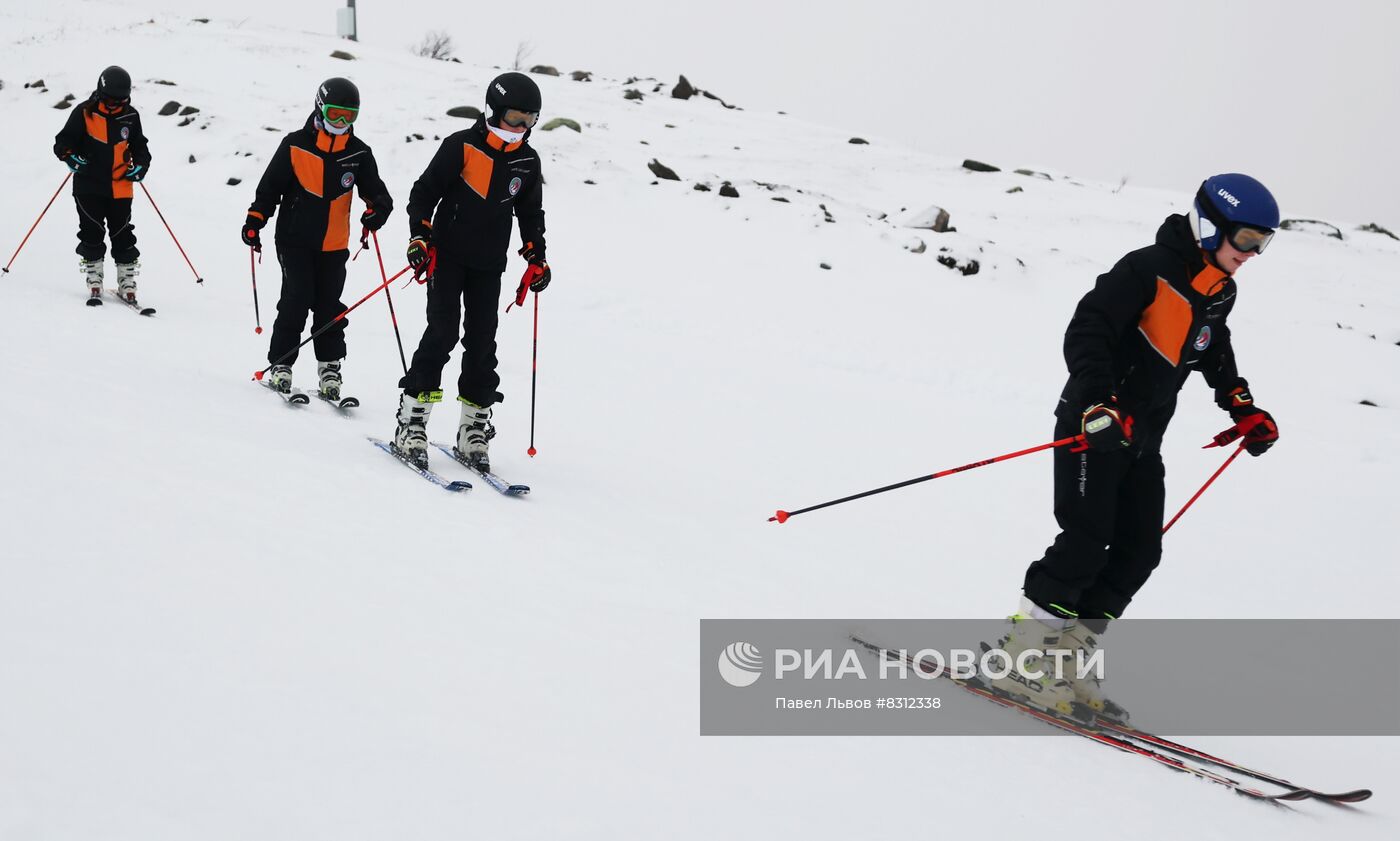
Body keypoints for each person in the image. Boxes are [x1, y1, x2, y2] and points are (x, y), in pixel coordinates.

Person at [993, 174, 1282, 718]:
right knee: (1085, 539)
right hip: (1095, 426)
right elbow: (1087, 329)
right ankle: (1023, 658)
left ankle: (1066, 660)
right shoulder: (1144, 269)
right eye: (1245, 239)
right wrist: (1099, 401)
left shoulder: (1220, 290)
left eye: (1262, 243)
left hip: (1144, 439)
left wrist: (1241, 405)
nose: (1252, 254)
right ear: (1208, 225)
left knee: (1140, 550)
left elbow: (1212, 347)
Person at [391, 71, 551, 471]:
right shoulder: (461, 146)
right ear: (492, 111)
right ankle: (411, 421)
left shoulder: (527, 161)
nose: (521, 127)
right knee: (442, 334)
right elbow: (423, 194)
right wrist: (420, 237)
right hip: (447, 257)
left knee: (482, 344)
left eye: (530, 120)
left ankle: (472, 428)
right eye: (514, 117)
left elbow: (530, 214)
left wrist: (537, 257)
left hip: (489, 265)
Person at [242, 77, 393, 401]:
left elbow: (379, 195)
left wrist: (377, 212)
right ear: (320, 107)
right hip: (294, 241)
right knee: (297, 299)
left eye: (349, 116)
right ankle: (281, 364)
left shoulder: (359, 153)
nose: (341, 122)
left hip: (334, 244)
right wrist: (256, 220)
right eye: (336, 113)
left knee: (329, 307)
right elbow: (269, 189)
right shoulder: (295, 145)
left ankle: (330, 367)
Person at [53, 65, 151, 304]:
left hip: (121, 186)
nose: (115, 105)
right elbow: (62, 142)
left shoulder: (131, 116)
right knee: (92, 231)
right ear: (100, 92)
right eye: (110, 100)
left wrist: (141, 166)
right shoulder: (84, 113)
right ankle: (94, 277)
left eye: (121, 101)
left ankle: (127, 281)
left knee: (122, 233)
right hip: (89, 186)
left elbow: (141, 148)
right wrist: (70, 156)